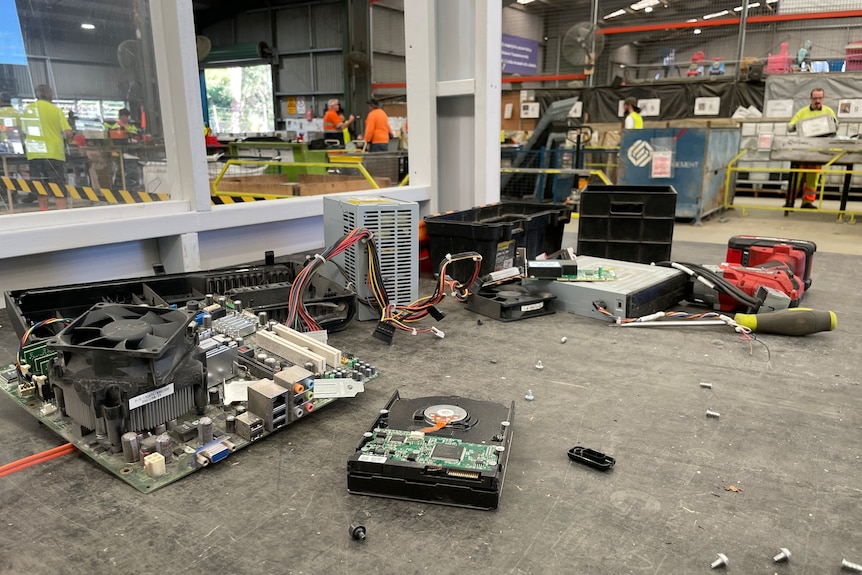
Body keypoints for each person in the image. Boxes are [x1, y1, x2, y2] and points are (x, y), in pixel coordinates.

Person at [20, 84, 72, 210]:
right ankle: (62, 213)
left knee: (40, 186)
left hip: (35, 153)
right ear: (51, 95)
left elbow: (23, 131)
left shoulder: (28, 110)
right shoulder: (56, 110)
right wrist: (68, 139)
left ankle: (43, 212)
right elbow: (67, 132)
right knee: (58, 186)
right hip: (54, 153)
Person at [787, 87, 837, 209]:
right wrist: (797, 126)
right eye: (815, 98)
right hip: (803, 150)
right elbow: (790, 127)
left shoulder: (828, 111)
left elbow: (836, 126)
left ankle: (807, 202)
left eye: (820, 98)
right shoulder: (802, 112)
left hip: (818, 151)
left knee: (813, 178)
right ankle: (790, 201)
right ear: (810, 98)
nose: (817, 100)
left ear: (823, 98)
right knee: (796, 176)